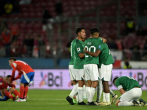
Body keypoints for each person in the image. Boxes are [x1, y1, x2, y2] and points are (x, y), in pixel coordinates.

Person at [84, 28, 117, 105]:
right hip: (103, 64)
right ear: (97, 35)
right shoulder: (100, 42)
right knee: (101, 82)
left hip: (105, 64)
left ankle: (106, 101)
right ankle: (105, 99)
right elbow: (104, 40)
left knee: (104, 82)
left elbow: (96, 54)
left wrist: (86, 52)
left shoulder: (89, 42)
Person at [84, 28, 106, 105]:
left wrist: (91, 37)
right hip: (93, 63)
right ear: (97, 34)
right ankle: (90, 101)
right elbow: (105, 40)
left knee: (88, 83)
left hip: (85, 63)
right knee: (95, 82)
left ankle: (89, 100)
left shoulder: (86, 41)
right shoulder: (98, 40)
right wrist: (98, 37)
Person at [70, 27, 86, 105]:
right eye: (83, 32)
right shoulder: (78, 42)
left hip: (75, 63)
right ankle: (76, 98)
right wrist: (89, 54)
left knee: (81, 82)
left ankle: (79, 99)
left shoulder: (75, 42)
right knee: (80, 82)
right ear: (78, 33)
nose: (85, 33)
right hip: (78, 64)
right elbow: (80, 55)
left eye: (85, 32)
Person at [66, 37, 78, 105]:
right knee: (80, 83)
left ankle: (76, 98)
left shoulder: (72, 44)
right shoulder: (79, 45)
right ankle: (71, 96)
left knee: (76, 83)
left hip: (71, 63)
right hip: (76, 64)